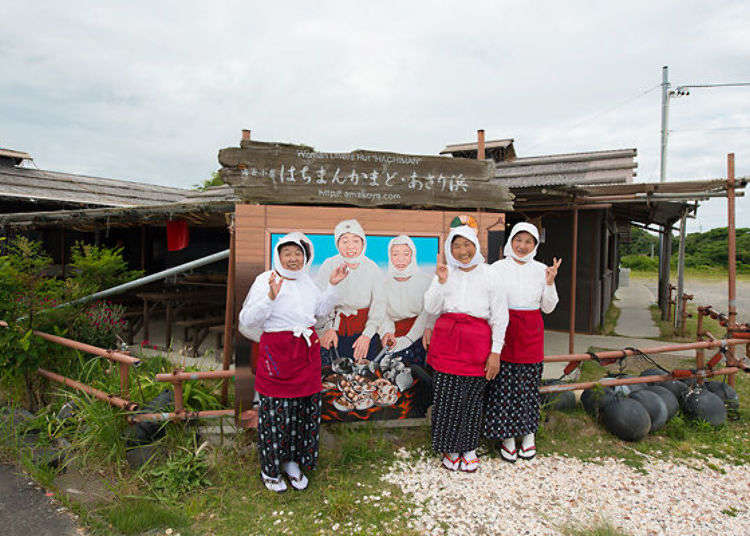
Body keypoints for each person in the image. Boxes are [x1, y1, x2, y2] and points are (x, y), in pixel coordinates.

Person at [238, 232, 349, 492]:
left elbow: (319, 312)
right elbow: (248, 319)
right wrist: (270, 297)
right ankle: (271, 468)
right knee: (276, 413)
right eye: (287, 253)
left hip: (306, 352)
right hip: (278, 352)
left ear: (306, 257)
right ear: (278, 255)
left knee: (302, 412)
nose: (292, 259)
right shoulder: (266, 280)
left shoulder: (307, 282)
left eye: (298, 253)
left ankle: (292, 463)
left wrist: (332, 286)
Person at [424, 223, 508, 473]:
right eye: (457, 246)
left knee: (471, 397)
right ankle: (450, 448)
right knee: (446, 396)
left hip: (477, 342)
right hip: (447, 340)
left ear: (476, 246)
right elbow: (430, 307)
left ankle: (469, 448)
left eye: (467, 245)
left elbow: (500, 317)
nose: (462, 251)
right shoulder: (444, 272)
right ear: (450, 249)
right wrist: (440, 282)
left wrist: (496, 352)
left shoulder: (491, 274)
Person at [484, 222, 561, 463]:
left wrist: (549, 282)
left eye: (529, 242)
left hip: (530, 331)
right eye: (519, 240)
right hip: (504, 329)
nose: (522, 246)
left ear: (535, 245)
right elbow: (488, 301)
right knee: (503, 387)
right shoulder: (496, 268)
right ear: (511, 241)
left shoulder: (542, 270)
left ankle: (528, 436)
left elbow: (548, 307)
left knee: (528, 388)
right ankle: (507, 438)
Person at [316, 219, 385, 364]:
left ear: (363, 243)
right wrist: (327, 329)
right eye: (344, 241)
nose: (350, 246)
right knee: (333, 377)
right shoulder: (329, 265)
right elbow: (319, 301)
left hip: (365, 332)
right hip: (334, 331)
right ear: (337, 244)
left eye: (355, 241)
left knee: (365, 378)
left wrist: (367, 335)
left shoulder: (372, 268)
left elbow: (379, 307)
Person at [379, 235, 435, 366]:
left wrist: (408, 339)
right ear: (390, 256)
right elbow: (381, 312)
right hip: (392, 337)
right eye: (395, 254)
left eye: (406, 254)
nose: (400, 260)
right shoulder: (382, 283)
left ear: (412, 256)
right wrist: (386, 332)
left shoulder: (427, 281)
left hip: (420, 336)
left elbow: (428, 312)